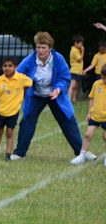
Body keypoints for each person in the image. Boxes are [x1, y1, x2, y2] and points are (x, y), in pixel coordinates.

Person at [9, 32, 84, 161]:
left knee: (68, 120)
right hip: (36, 95)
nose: (40, 50)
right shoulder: (30, 60)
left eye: (43, 47)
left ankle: (82, 152)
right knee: (27, 121)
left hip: (55, 95)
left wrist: (58, 89)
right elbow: (17, 75)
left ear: (50, 48)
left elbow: (65, 77)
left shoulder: (58, 59)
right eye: (38, 47)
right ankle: (20, 153)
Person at [0, 56, 32, 160]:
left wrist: (22, 92)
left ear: (15, 67)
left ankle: (8, 154)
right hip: (1, 111)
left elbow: (30, 83)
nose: (7, 68)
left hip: (13, 111)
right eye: (5, 66)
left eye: (10, 66)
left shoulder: (21, 78)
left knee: (10, 132)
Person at [70, 63, 106, 165]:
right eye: (103, 77)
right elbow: (92, 98)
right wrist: (89, 112)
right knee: (87, 135)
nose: (104, 80)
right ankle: (82, 156)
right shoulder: (97, 84)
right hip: (95, 116)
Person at [69, 35, 84, 101]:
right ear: (75, 43)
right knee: (72, 85)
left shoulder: (77, 50)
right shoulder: (74, 50)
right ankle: (69, 98)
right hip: (74, 70)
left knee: (76, 86)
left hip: (78, 71)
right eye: (80, 43)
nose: (81, 45)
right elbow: (79, 59)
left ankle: (74, 99)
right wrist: (83, 51)